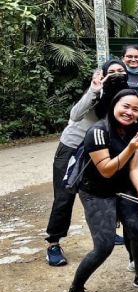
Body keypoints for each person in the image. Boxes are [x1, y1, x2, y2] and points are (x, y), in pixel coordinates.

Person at [67, 89, 138, 292]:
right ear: (114, 106)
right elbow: (106, 170)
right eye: (125, 106)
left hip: (124, 189)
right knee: (104, 245)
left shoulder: (134, 131)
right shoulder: (97, 132)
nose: (129, 112)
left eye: (135, 109)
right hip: (96, 192)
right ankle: (75, 288)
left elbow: (133, 168)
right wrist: (130, 148)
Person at [45, 61, 130, 266]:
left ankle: (107, 232)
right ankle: (53, 243)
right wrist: (94, 89)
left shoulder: (125, 96)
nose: (116, 74)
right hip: (73, 147)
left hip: (99, 150)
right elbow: (75, 115)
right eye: (111, 71)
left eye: (120, 70)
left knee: (103, 192)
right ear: (104, 74)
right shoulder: (96, 91)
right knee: (65, 195)